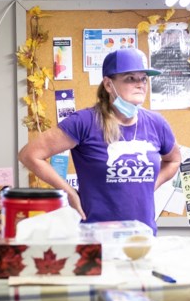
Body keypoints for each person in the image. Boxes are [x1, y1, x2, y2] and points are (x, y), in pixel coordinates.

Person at [17, 48, 181, 233]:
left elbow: (174, 160)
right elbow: (29, 155)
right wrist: (68, 193)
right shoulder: (84, 121)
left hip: (142, 235)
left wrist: (152, 184)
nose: (140, 84)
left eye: (144, 78)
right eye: (130, 78)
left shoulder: (156, 123)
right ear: (109, 85)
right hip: (95, 237)